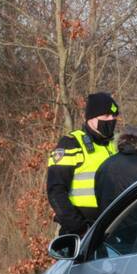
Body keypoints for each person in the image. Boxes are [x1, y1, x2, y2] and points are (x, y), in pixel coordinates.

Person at [47, 92, 121, 236]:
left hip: (111, 231)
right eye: (106, 116)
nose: (111, 119)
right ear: (91, 118)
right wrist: (79, 228)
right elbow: (55, 191)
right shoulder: (71, 143)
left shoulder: (116, 145)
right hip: (80, 233)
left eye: (114, 116)